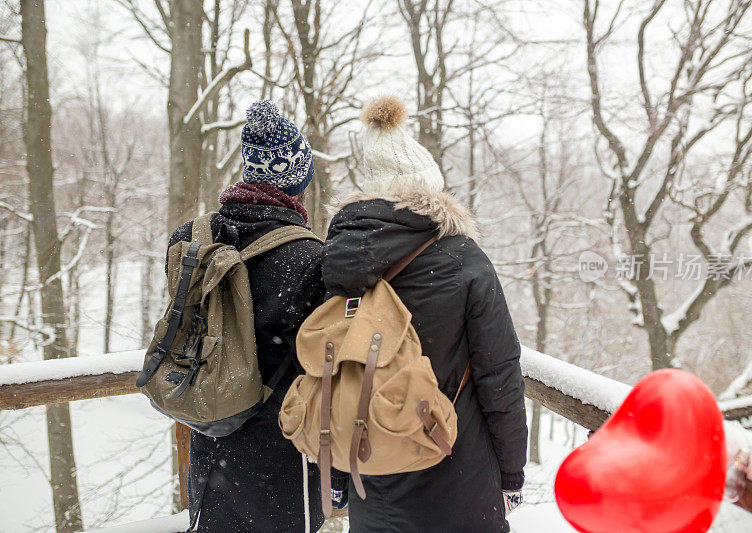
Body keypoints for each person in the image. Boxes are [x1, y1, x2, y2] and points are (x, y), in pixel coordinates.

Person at [322, 96, 528, 532]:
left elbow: (336, 374)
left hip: (370, 470)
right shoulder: (464, 260)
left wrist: (339, 469)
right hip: (458, 469)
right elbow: (499, 373)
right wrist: (511, 471)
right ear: (429, 190)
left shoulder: (340, 263)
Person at [167, 100, 325, 532]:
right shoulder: (309, 258)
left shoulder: (191, 240)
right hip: (284, 452)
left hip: (212, 436)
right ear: (295, 181)